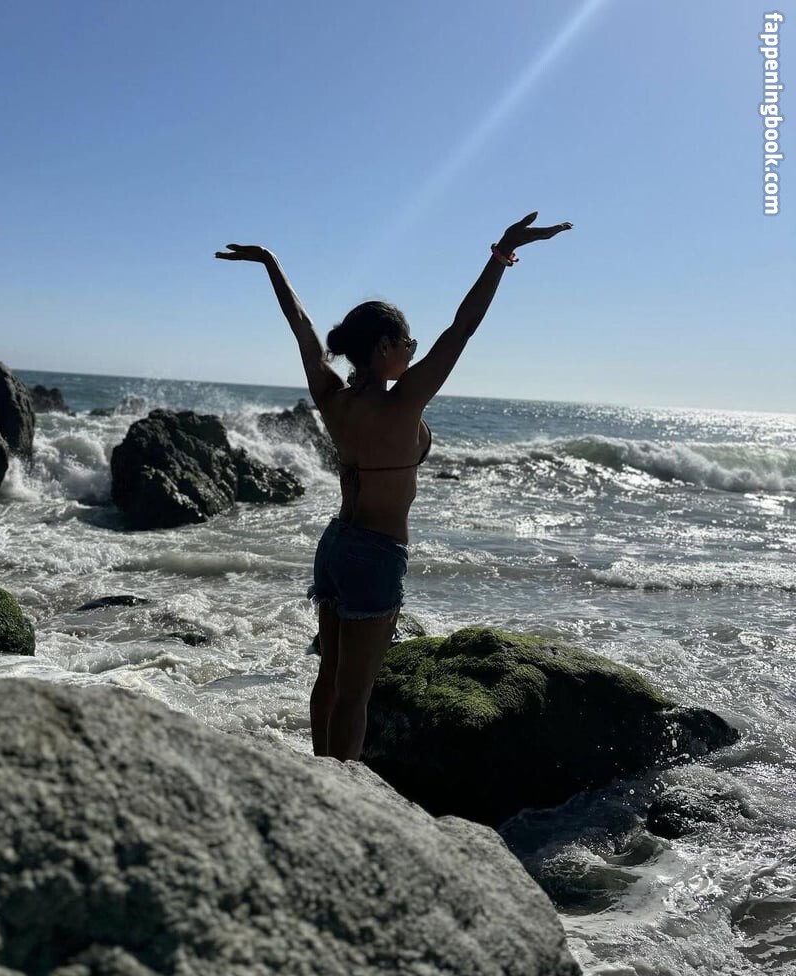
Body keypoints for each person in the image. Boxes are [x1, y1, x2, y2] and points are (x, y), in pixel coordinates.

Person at [216, 211, 572, 761]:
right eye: (408, 341)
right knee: (354, 696)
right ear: (384, 346)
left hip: (336, 546)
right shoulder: (404, 401)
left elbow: (302, 327)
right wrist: (501, 254)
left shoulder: (332, 397)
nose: (414, 348)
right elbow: (463, 328)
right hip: (376, 554)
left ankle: (317, 776)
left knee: (329, 679)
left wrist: (270, 263)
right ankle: (340, 791)